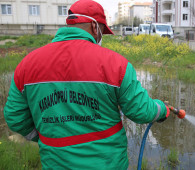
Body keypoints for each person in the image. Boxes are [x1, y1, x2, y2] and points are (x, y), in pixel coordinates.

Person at [4, 0, 169, 169]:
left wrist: (42, 136)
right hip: (107, 164)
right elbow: (141, 111)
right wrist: (162, 109)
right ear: (94, 27)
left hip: (56, 164)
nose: (101, 36)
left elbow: (15, 117)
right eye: (103, 31)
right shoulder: (116, 64)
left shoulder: (27, 65)